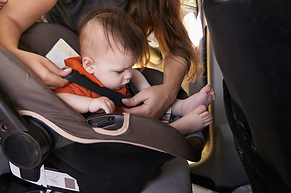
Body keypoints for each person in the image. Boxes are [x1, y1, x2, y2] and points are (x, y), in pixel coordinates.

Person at [0, 0, 200, 119]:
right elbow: (7, 20)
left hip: (107, 83)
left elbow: (178, 49)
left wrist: (168, 91)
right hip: (65, 79)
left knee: (157, 82)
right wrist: (18, 57)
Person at [54, 8, 215, 135]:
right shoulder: (80, 82)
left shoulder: (115, 71)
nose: (129, 74)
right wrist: (89, 104)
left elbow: (135, 74)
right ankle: (178, 129)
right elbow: (60, 98)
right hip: (114, 133)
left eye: (130, 66)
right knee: (142, 131)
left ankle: (181, 107)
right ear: (90, 66)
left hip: (131, 113)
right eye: (120, 71)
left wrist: (146, 90)